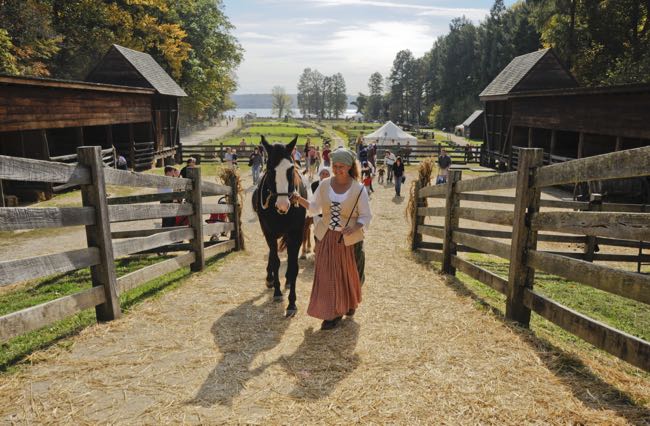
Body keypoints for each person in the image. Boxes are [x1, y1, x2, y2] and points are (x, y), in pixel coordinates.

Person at [291, 148, 372, 330]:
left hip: (348, 239)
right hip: (326, 236)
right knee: (328, 276)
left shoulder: (358, 189)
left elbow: (366, 216)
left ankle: (348, 304)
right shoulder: (325, 184)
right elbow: (314, 207)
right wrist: (298, 199)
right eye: (335, 165)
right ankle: (332, 313)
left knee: (347, 276)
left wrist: (354, 227)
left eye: (341, 166)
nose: (337, 169)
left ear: (350, 166)